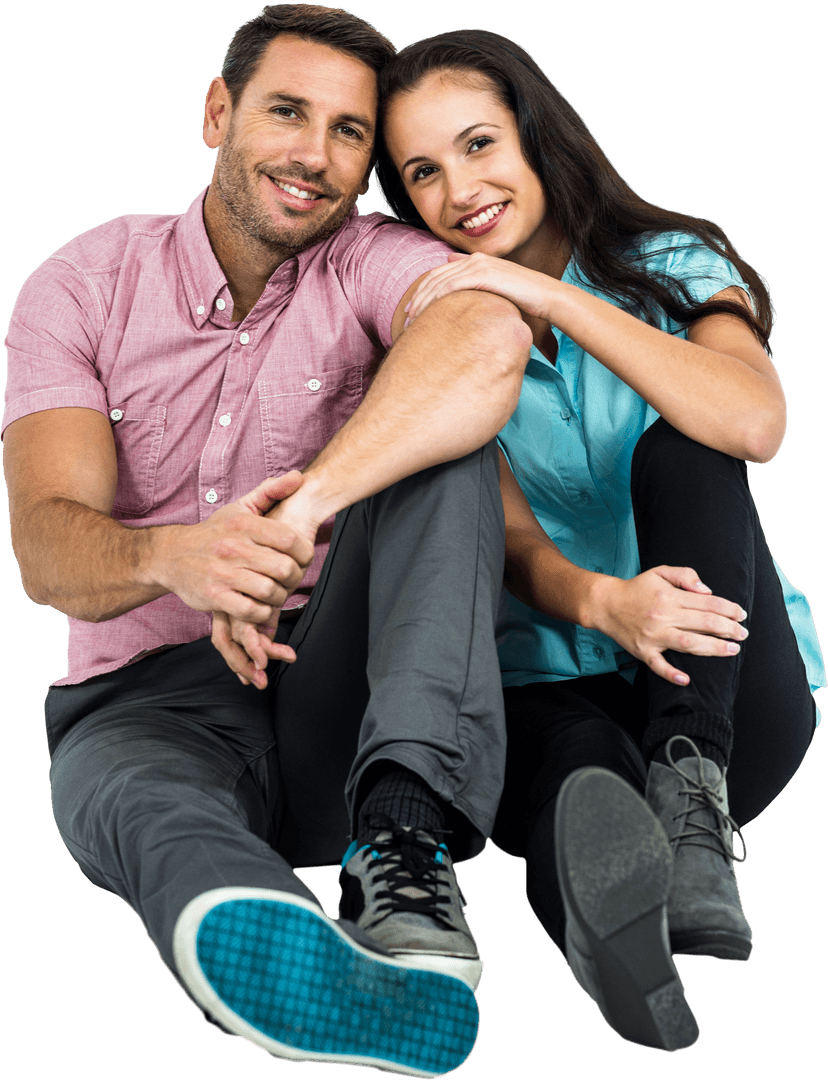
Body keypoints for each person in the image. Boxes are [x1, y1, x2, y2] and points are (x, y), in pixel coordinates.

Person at [2, 8, 535, 1076]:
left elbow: (485, 336)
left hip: (347, 691)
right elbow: (47, 550)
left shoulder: (376, 258)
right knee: (136, 804)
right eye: (288, 112)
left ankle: (402, 842)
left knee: (448, 442)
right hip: (147, 706)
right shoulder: (85, 281)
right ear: (218, 113)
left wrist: (293, 520)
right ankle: (304, 965)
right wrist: (179, 558)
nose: (315, 155)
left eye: (349, 131)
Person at [376, 28, 825, 1053]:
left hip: (723, 689)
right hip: (542, 688)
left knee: (691, 437)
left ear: (536, 134)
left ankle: (692, 800)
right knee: (579, 780)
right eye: (423, 172)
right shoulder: (433, 332)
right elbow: (507, 536)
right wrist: (604, 603)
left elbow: (754, 421)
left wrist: (548, 296)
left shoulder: (674, 264)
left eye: (479, 143)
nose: (461, 190)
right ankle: (619, 952)